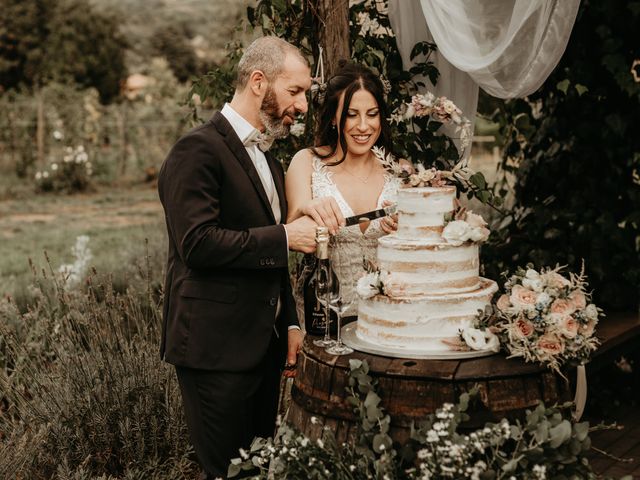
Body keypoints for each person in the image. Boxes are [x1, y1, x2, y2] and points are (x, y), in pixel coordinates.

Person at [157, 36, 317, 479]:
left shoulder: (269, 158)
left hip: (262, 348)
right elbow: (199, 244)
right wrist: (286, 235)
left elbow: (270, 253)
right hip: (214, 351)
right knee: (228, 473)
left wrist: (288, 321)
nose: (302, 106)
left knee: (257, 472)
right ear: (259, 81)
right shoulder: (197, 151)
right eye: (296, 91)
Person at [285, 61, 407, 320]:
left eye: (372, 114)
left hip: (390, 316)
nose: (363, 126)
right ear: (332, 118)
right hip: (324, 319)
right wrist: (309, 212)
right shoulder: (306, 162)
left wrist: (407, 231)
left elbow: (425, 246)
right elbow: (293, 233)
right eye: (352, 115)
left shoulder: (402, 171)